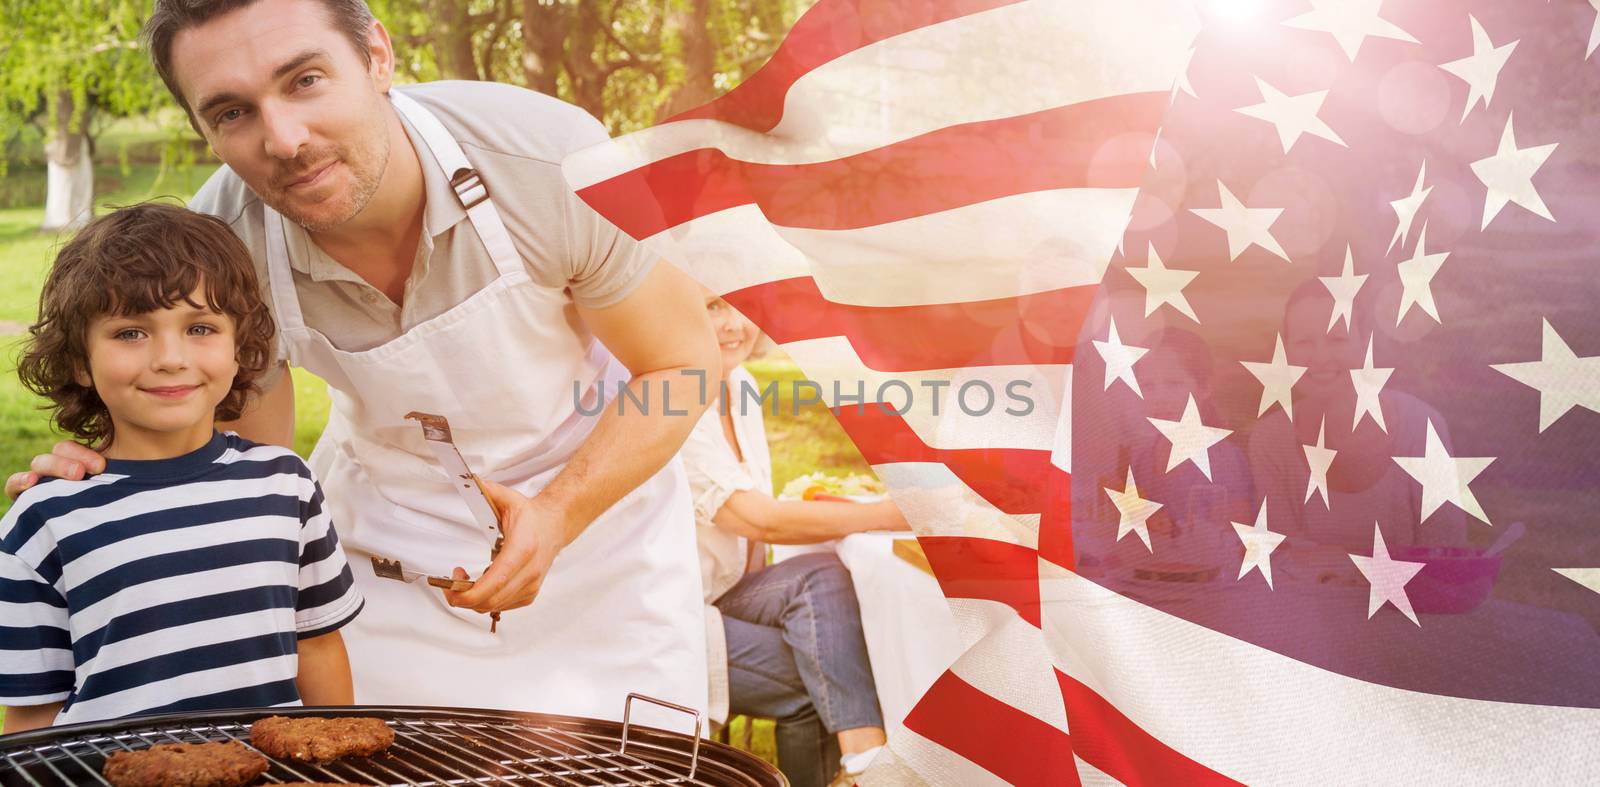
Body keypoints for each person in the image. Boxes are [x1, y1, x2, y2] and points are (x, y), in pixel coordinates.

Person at [7, 0, 720, 720]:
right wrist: (109, 483)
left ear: (378, 56)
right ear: (204, 131)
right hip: (386, 562)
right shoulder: (223, 251)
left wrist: (560, 514)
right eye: (231, 113)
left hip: (604, 542)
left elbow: (682, 364)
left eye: (306, 79)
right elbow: (239, 477)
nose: (284, 140)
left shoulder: (548, 161)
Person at [0, 203, 362, 733]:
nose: (170, 357)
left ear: (240, 347)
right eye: (130, 333)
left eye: (200, 328)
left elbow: (318, 645)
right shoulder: (44, 520)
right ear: (80, 360)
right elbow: (31, 712)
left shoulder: (287, 485)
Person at [681, 289, 906, 787]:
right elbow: (755, 519)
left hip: (728, 592)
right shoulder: (675, 398)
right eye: (713, 305)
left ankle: (860, 765)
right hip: (671, 612)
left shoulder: (740, 387)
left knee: (826, 582)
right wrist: (881, 515)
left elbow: (761, 524)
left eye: (742, 303)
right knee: (819, 670)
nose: (734, 323)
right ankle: (865, 766)